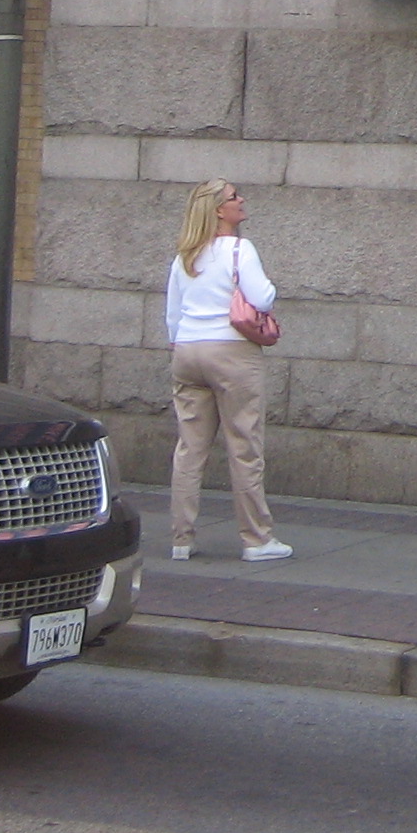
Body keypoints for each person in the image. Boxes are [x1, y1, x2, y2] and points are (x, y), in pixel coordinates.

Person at [163, 179, 289, 563]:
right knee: (244, 446)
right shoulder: (240, 249)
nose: (242, 201)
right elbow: (262, 296)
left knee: (189, 448)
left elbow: (172, 314)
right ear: (220, 209)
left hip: (187, 350)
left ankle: (181, 538)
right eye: (235, 197)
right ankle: (256, 538)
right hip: (232, 352)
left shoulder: (185, 255)